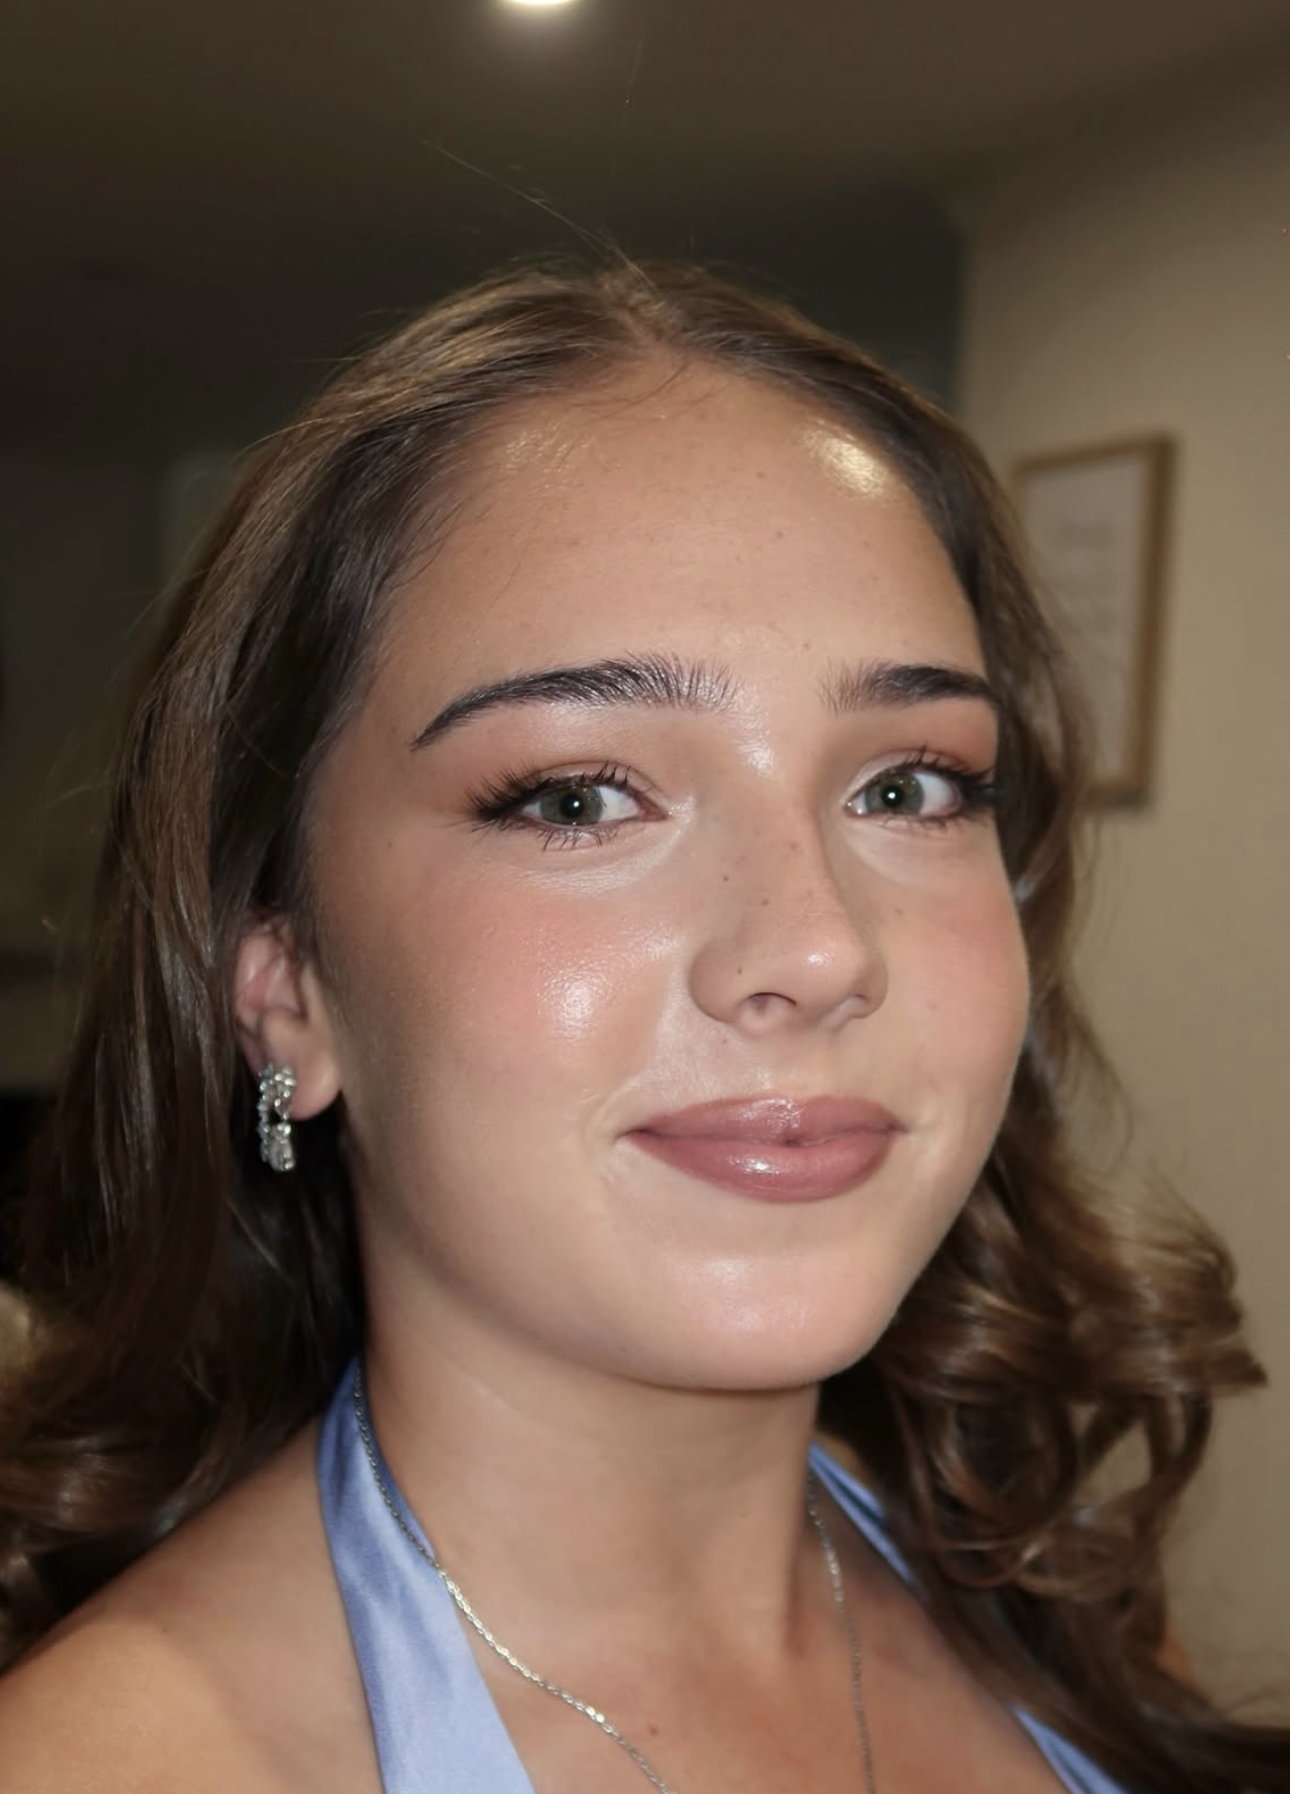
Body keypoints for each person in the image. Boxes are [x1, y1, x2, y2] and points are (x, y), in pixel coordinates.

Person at [0, 262, 1285, 1794]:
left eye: (908, 786)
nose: (815, 948)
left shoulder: (1071, 1624)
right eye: (577, 796)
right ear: (286, 990)